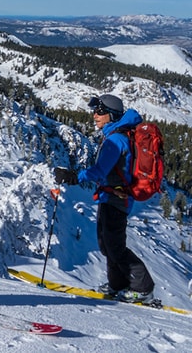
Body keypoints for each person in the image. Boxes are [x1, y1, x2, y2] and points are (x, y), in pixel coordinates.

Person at [54, 94, 155, 303]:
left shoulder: (116, 139)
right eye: (94, 111)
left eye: (99, 112)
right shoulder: (114, 135)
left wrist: (74, 177)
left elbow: (100, 171)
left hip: (117, 198)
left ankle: (143, 289)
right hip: (110, 197)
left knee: (114, 246)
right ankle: (118, 284)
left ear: (112, 114)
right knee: (107, 244)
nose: (94, 115)